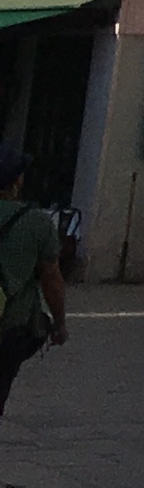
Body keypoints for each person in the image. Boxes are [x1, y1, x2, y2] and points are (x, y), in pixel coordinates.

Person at [0, 143, 63, 421]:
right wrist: (59, 324)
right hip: (10, 326)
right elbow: (52, 279)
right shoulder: (36, 222)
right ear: (17, 180)